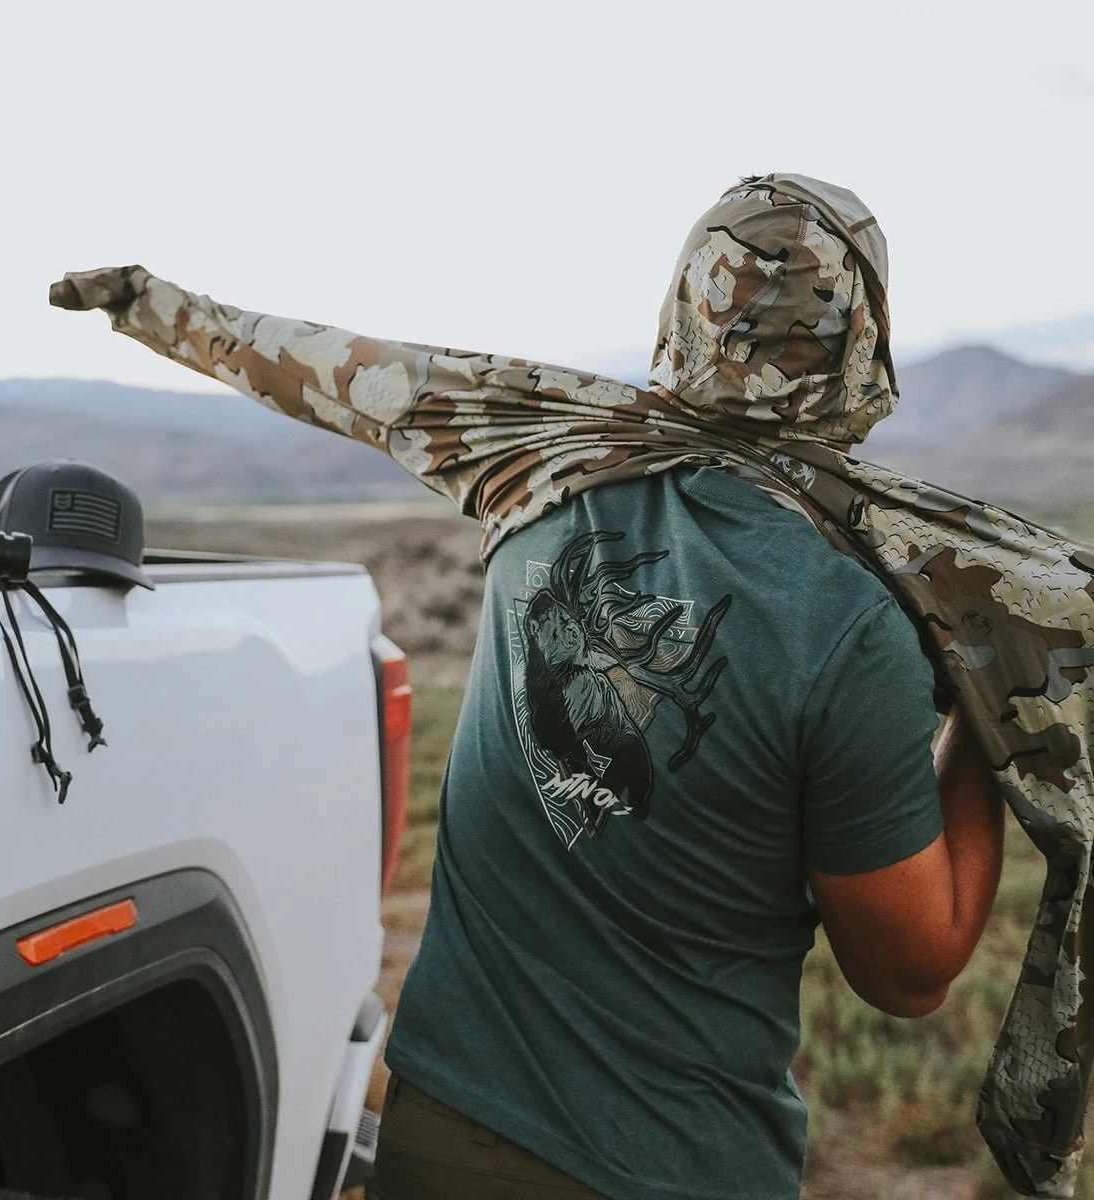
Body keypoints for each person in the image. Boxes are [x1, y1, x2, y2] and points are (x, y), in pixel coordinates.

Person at [51, 174, 1008, 1199]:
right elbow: (911, 973)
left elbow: (327, 369)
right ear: (863, 341)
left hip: (438, 1129)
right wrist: (992, 709)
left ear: (683, 316)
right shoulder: (850, 624)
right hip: (674, 1166)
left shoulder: (543, 467)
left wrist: (148, 305)